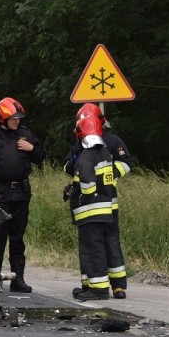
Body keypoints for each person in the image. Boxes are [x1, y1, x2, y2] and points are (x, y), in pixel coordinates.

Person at [0, 97, 45, 293]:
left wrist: (33, 148)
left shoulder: (26, 135)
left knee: (17, 238)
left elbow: (40, 158)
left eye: (19, 118)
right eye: (13, 118)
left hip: (20, 191)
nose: (17, 121)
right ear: (2, 118)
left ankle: (18, 279)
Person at [64, 103, 132, 298]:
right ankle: (90, 284)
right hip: (103, 202)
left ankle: (115, 286)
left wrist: (101, 180)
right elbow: (68, 165)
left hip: (101, 204)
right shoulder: (85, 146)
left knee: (102, 245)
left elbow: (126, 164)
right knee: (100, 245)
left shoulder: (111, 141)